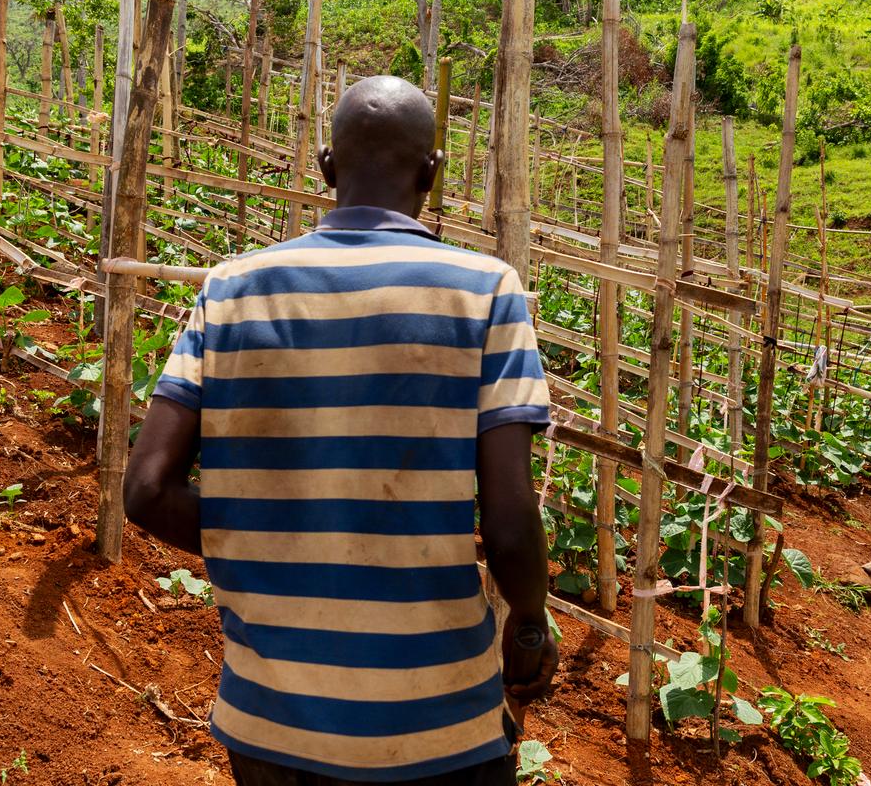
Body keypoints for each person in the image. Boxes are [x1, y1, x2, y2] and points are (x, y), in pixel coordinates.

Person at [123, 75, 558, 785]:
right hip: (440, 727)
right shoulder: (485, 291)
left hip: (271, 725)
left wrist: (266, 540)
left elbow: (145, 491)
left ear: (326, 166)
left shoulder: (229, 290)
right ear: (432, 173)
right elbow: (510, 522)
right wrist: (531, 622)